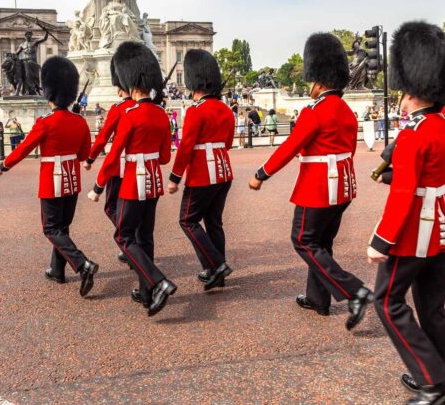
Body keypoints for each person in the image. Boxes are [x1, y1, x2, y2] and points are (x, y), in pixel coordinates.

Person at [249, 32, 374, 331]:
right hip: (343, 186)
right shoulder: (346, 111)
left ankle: (353, 291)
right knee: (322, 243)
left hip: (318, 187)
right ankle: (317, 299)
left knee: (303, 240)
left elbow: (289, 146)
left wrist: (261, 174)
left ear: (318, 81)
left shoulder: (314, 111)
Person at [367, 22, 445, 405]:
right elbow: (429, 176)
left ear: (411, 91)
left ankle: (431, 380)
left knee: (387, 301)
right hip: (442, 231)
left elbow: (404, 194)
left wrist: (381, 240)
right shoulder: (440, 127)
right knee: (432, 308)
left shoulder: (414, 133)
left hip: (413, 232)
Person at [0, 56, 98, 297]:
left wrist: (4, 165)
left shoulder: (46, 122)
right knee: (62, 227)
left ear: (49, 93)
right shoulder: (80, 122)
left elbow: (24, 148)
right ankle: (56, 270)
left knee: (51, 229)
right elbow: (85, 154)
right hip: (72, 181)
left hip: (52, 182)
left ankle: (82, 264)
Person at [88, 41, 175, 317]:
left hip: (132, 183)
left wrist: (98, 186)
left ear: (129, 82)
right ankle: (146, 291)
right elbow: (164, 158)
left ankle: (158, 281)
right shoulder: (162, 115)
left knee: (124, 236)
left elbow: (114, 155)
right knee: (145, 237)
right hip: (154, 182)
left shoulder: (130, 115)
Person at [168, 49, 235, 289]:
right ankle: (217, 272)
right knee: (214, 222)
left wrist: (175, 177)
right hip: (223, 172)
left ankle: (216, 264)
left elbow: (186, 146)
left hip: (202, 175)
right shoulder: (226, 110)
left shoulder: (196, 110)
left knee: (187, 220)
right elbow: (227, 143)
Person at [83, 57, 135, 265]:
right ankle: (131, 244)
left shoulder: (119, 108)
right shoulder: (143, 107)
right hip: (140, 167)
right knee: (132, 207)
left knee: (111, 207)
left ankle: (129, 242)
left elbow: (104, 136)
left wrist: (90, 158)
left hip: (119, 165)